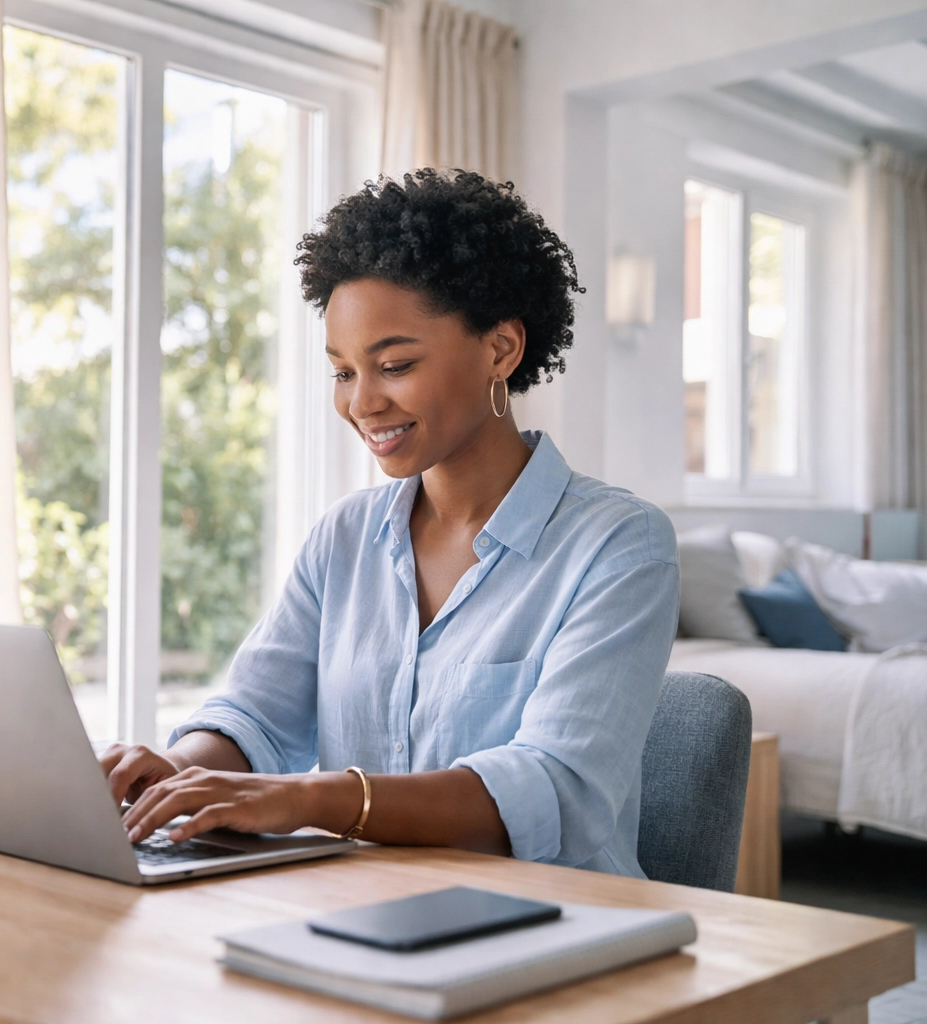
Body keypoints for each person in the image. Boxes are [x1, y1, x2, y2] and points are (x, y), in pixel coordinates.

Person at [100, 169, 679, 878]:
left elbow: (555, 789)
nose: (362, 403)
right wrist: (177, 771)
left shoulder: (618, 545)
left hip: (556, 929)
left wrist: (313, 797)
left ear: (501, 349)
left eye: (394, 365)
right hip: (364, 917)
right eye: (343, 372)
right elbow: (254, 718)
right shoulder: (343, 539)